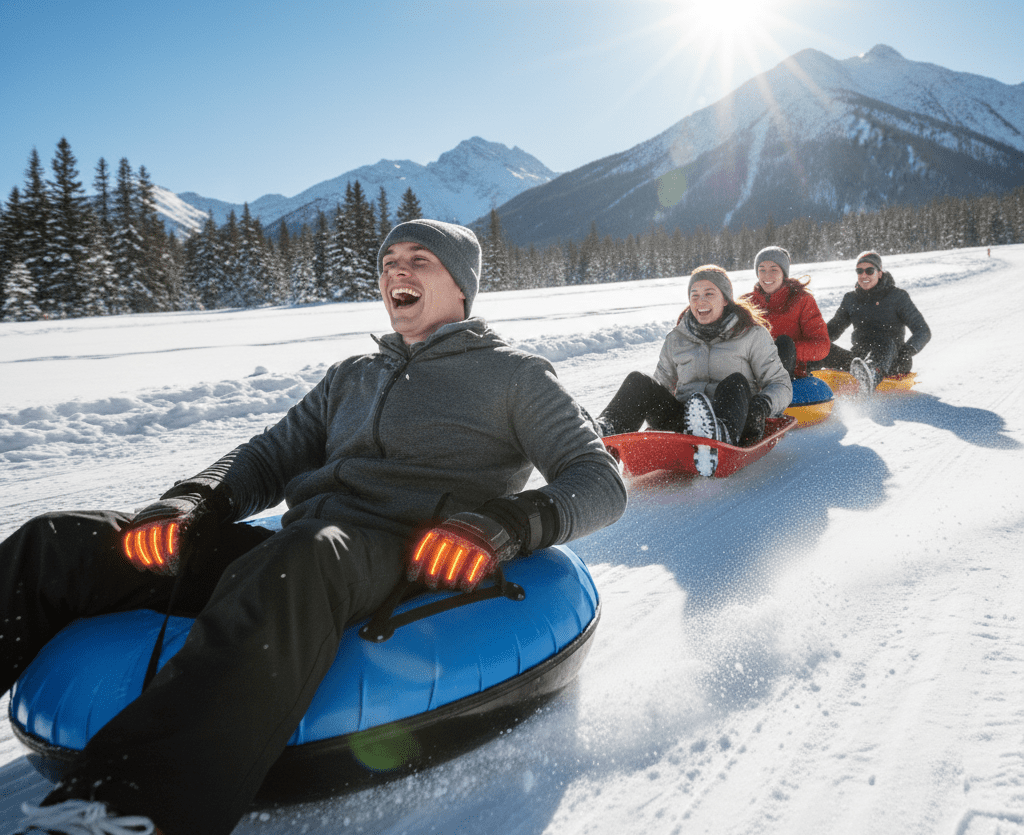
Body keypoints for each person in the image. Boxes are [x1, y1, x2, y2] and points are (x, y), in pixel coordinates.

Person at [3, 219, 627, 835]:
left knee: (301, 552)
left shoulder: (514, 375)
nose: (397, 272)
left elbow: (598, 477)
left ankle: (127, 812)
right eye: (388, 263)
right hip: (303, 552)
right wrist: (191, 501)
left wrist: (503, 526)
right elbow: (268, 456)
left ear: (461, 285)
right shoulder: (351, 375)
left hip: (405, 557)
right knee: (60, 541)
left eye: (420, 260)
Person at [597, 265, 792, 471]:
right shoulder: (676, 339)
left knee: (736, 381)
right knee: (639, 382)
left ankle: (718, 434)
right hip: (686, 420)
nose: (701, 300)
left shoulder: (752, 335)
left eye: (709, 293)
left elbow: (780, 384)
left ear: (725, 299)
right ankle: (603, 432)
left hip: (736, 419)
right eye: (695, 294)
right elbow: (661, 384)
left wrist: (762, 405)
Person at [812, 250, 931, 394]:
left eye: (869, 270)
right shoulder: (851, 299)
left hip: (892, 360)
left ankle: (871, 375)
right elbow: (834, 329)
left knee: (884, 341)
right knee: (820, 348)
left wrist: (907, 352)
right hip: (859, 361)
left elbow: (922, 330)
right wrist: (813, 341)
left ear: (880, 273)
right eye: (859, 271)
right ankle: (803, 382)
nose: (864, 275)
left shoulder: (897, 297)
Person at [742, 246, 830, 379]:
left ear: (784, 273)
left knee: (783, 342)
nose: (767, 275)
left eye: (774, 269)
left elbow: (822, 346)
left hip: (790, 374)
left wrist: (789, 351)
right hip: (752, 372)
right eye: (762, 270)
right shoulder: (746, 303)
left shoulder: (802, 300)